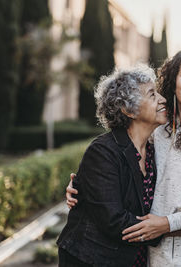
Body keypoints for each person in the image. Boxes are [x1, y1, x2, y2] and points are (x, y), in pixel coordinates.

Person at [67, 49, 181, 266]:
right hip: (148, 254)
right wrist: (84, 190)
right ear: (173, 81)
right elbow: (123, 177)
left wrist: (168, 223)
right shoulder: (160, 130)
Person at [57, 65, 168, 267]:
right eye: (152, 94)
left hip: (132, 258)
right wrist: (169, 228)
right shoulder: (103, 152)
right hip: (91, 258)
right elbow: (114, 221)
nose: (163, 99)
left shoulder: (155, 150)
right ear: (128, 110)